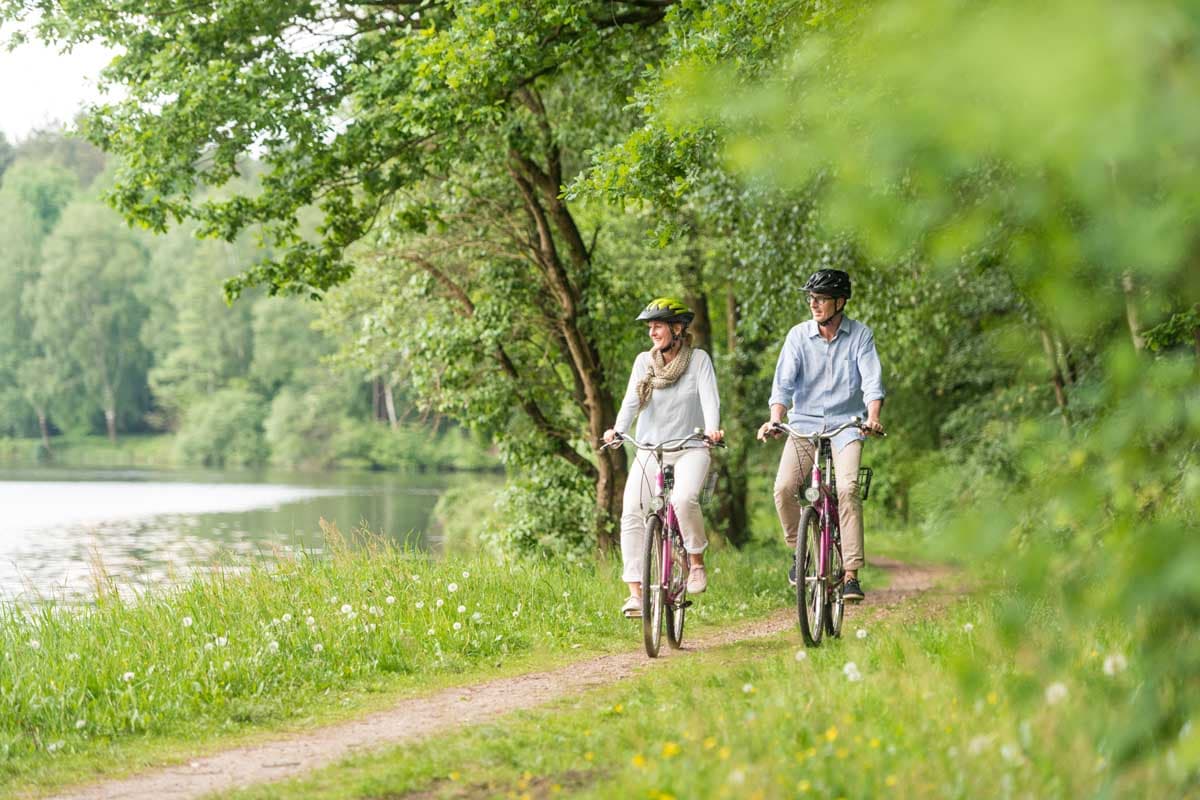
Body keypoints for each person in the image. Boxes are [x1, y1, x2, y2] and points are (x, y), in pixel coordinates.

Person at [756, 269, 884, 602]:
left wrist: (872, 418)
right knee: (784, 488)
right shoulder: (798, 337)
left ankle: (852, 574)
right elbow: (783, 385)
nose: (814, 304)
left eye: (821, 298)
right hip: (803, 424)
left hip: (846, 426)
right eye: (811, 298)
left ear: (840, 302)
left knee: (848, 488)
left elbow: (871, 382)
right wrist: (775, 419)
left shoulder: (860, 336)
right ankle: (800, 550)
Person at [604, 297, 723, 618]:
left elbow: (710, 399)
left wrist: (712, 430)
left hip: (691, 447)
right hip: (650, 449)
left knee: (684, 500)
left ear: (678, 328)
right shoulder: (644, 362)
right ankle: (636, 593)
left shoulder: (698, 361)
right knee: (631, 512)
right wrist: (617, 430)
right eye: (650, 327)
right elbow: (631, 401)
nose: (652, 332)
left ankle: (695, 561)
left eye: (658, 326)